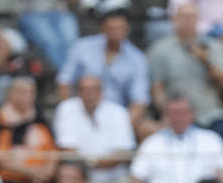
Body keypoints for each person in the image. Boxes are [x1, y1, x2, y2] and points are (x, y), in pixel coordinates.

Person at [147, 1, 223, 144]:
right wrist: (167, 113)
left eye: (191, 17)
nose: (187, 21)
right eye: (183, 17)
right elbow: (157, 88)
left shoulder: (214, 46)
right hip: (175, 115)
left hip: (209, 114)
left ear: (198, 19)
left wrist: (206, 62)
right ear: (174, 19)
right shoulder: (160, 49)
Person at [57, 3, 152, 137]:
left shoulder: (137, 59)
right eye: (111, 28)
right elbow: (64, 81)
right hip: (82, 109)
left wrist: (122, 127)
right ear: (103, 29)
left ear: (127, 29)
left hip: (118, 114)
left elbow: (140, 99)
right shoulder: (82, 47)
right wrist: (71, 112)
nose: (115, 32)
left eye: (119, 28)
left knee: (147, 128)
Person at [53, 73, 136, 183]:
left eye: (93, 90)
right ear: (78, 92)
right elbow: (68, 150)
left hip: (116, 180)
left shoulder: (119, 112)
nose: (89, 95)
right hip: (80, 182)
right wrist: (95, 163)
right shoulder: (66, 109)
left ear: (101, 92)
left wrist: (89, 163)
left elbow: (122, 154)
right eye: (85, 90)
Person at [17, 0, 78, 72]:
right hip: (32, 13)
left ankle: (69, 77)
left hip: (61, 13)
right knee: (52, 42)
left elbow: (74, 2)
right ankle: (67, 77)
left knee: (71, 43)